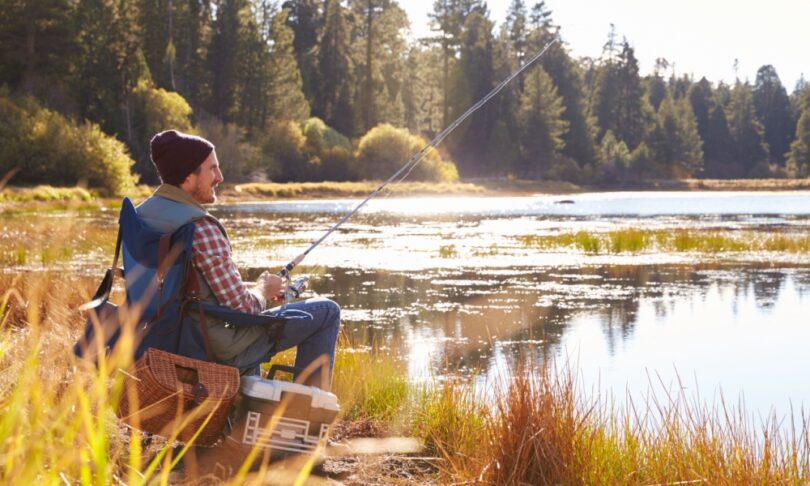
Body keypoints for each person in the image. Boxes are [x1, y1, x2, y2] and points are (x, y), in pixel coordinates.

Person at [136, 129, 340, 388]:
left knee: (255, 320)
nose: (220, 177)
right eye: (213, 169)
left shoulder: (142, 217)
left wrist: (254, 288)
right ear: (188, 176)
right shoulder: (200, 228)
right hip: (212, 347)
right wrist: (263, 290)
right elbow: (243, 308)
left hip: (160, 339)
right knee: (327, 311)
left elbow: (186, 287)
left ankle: (240, 414)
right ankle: (308, 415)